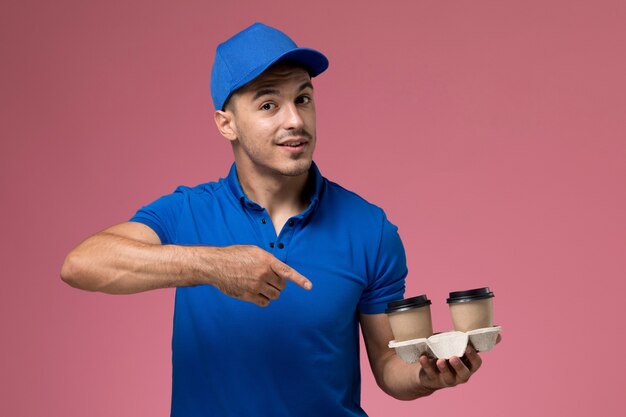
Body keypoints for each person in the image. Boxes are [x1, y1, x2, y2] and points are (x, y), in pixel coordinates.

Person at [61, 22, 495, 417]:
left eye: (303, 98)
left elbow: (387, 364)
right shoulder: (188, 212)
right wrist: (210, 265)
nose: (295, 120)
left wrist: (426, 376)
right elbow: (81, 264)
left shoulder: (370, 229)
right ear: (226, 123)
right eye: (269, 104)